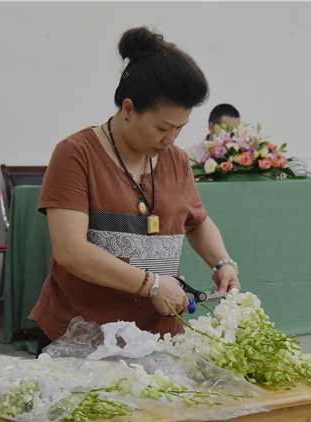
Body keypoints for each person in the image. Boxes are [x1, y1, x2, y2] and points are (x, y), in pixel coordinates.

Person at [29, 27, 241, 357]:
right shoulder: (76, 155)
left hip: (159, 339)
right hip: (81, 338)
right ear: (128, 108)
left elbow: (196, 222)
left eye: (180, 128)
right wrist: (152, 284)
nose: (171, 139)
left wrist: (222, 263)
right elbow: (70, 250)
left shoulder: (177, 160)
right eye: (162, 128)